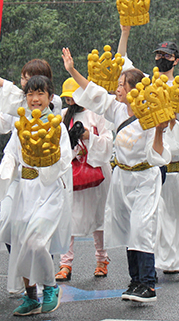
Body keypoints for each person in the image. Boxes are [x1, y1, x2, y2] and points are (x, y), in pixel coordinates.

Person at [62, 47, 171, 303]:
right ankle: (135, 281)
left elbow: (157, 154)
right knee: (127, 229)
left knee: (141, 228)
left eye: (122, 84)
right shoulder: (118, 110)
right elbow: (95, 93)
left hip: (144, 178)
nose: (117, 88)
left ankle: (148, 284)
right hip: (123, 179)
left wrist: (158, 130)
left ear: (135, 89)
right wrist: (72, 70)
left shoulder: (148, 115)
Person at [119, 33, 179, 280]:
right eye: (158, 54)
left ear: (176, 59)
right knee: (157, 218)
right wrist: (126, 32)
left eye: (166, 55)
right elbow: (124, 64)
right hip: (154, 164)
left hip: (178, 162)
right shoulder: (147, 83)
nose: (161, 58)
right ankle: (163, 261)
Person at [0, 75, 72, 316]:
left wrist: (48, 162)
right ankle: (30, 297)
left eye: (40, 94)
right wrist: (5, 173)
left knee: (36, 242)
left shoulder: (56, 126)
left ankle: (50, 286)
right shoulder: (21, 124)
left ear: (50, 97)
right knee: (20, 245)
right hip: (24, 192)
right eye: (30, 94)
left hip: (48, 191)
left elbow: (65, 159)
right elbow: (11, 154)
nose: (35, 99)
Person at [55, 77, 113, 281]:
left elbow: (108, 142)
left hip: (97, 174)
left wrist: (89, 137)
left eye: (73, 96)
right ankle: (65, 263)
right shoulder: (62, 116)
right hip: (72, 175)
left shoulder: (97, 114)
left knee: (99, 219)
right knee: (68, 218)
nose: (70, 101)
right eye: (67, 98)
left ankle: (101, 259)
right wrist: (71, 146)